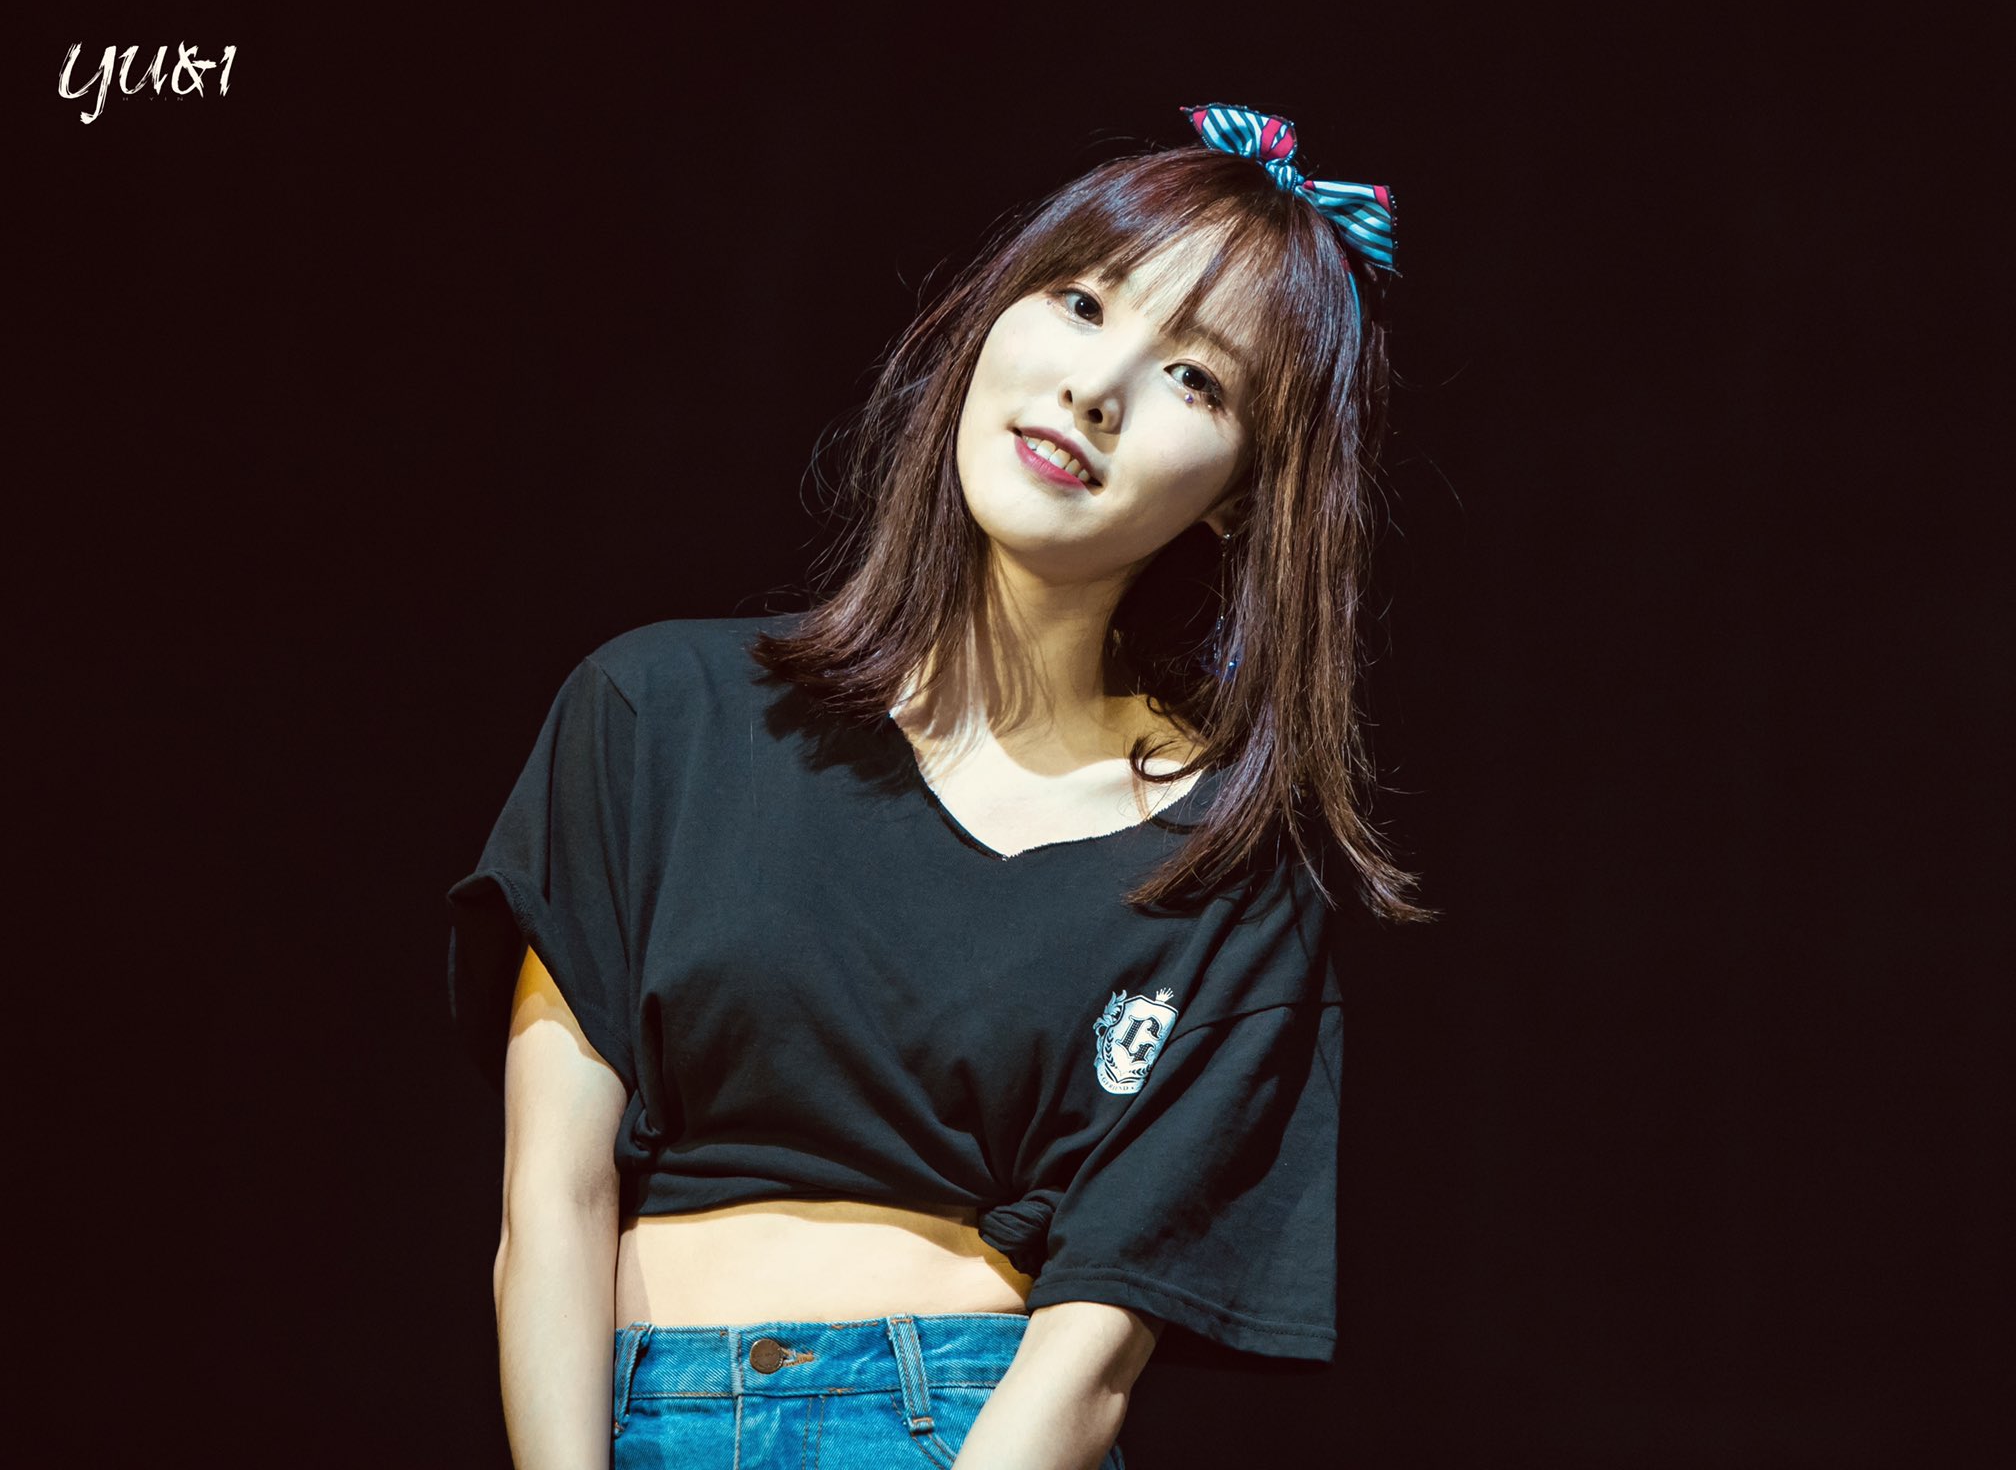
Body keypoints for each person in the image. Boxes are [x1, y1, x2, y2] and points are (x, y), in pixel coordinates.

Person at [447, 103, 1432, 1470]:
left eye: (1196, 379)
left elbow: (1089, 1366)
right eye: (1081, 303)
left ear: (1240, 495)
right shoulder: (655, 713)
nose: (1097, 389)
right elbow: (548, 1206)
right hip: (638, 1419)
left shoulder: (1225, 860)